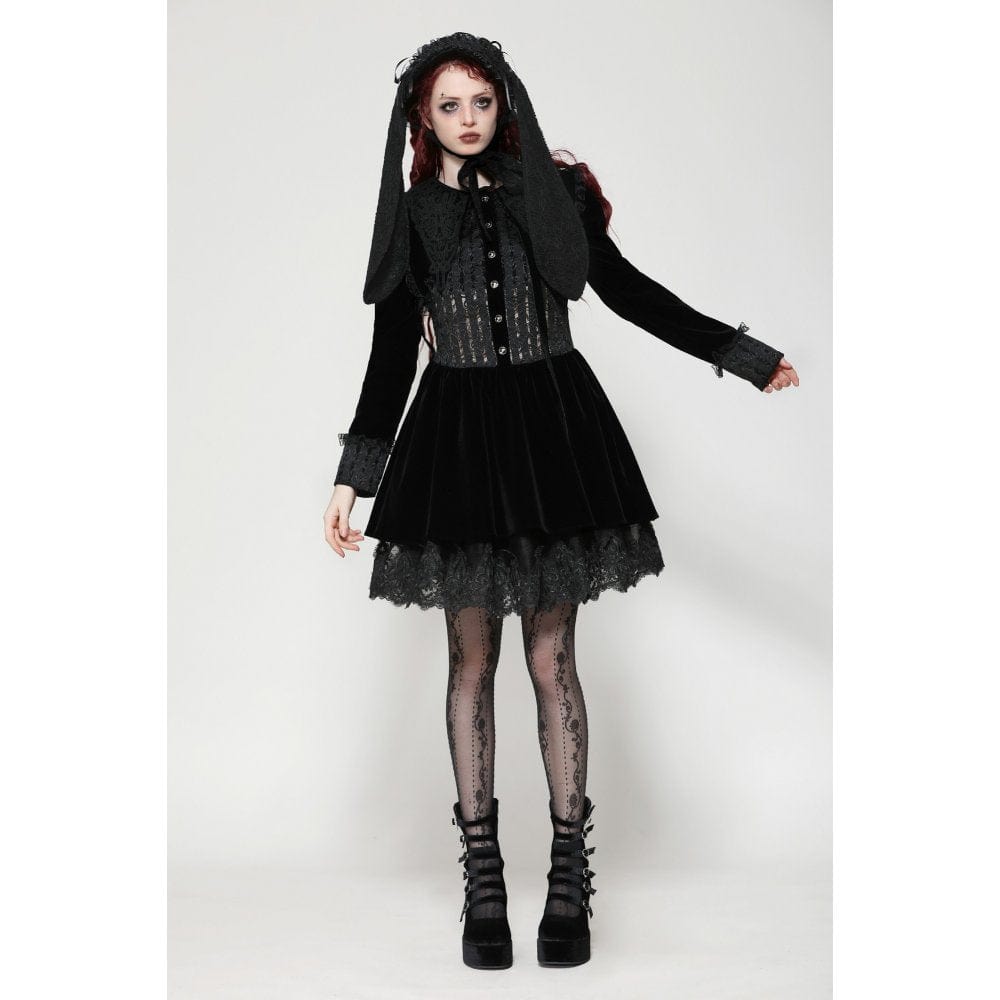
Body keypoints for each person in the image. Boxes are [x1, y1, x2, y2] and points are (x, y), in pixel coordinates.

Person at [322, 32, 799, 971]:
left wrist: (739, 354)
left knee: (551, 658)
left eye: (482, 101)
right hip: (458, 442)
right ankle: (484, 880)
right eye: (449, 105)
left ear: (505, 104)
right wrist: (354, 477)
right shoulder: (413, 218)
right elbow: (390, 357)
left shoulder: (555, 194)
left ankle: (570, 875)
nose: (468, 119)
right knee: (471, 661)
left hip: (553, 433)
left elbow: (623, 290)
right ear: (422, 116)